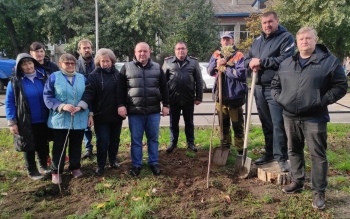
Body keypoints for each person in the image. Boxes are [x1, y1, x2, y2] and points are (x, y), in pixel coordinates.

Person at [271, 27, 348, 209]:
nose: (304, 41)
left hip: (315, 117)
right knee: (293, 151)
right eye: (301, 39)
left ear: (315, 40)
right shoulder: (287, 62)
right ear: (297, 43)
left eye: (308, 38)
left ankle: (318, 191)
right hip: (290, 116)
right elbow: (275, 84)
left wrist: (321, 101)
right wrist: (280, 99)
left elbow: (341, 86)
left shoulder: (329, 62)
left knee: (318, 155)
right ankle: (298, 181)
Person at [244, 11, 295, 172]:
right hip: (258, 87)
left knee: (278, 123)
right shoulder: (257, 41)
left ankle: (281, 157)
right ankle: (270, 153)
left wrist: (262, 61)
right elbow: (247, 59)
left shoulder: (286, 38)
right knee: (266, 123)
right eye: (264, 22)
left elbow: (285, 60)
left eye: (270, 22)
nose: (267, 25)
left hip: (276, 87)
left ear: (277, 21)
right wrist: (250, 62)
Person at [117, 42, 169, 177]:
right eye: (140, 51)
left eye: (145, 51)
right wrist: (121, 105)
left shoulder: (157, 68)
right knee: (136, 140)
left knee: (153, 139)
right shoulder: (126, 68)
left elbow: (164, 88)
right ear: (135, 52)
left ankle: (153, 163)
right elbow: (120, 89)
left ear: (149, 52)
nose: (142, 54)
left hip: (153, 112)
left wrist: (166, 105)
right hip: (135, 112)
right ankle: (136, 165)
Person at [77, 48, 124, 176]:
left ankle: (113, 160)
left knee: (115, 139)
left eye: (107, 61)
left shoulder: (118, 75)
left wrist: (123, 106)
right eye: (102, 61)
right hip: (101, 115)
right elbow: (89, 94)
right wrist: (83, 107)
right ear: (98, 61)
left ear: (112, 61)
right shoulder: (93, 76)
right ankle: (101, 164)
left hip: (116, 115)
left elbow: (121, 93)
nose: (105, 64)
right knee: (102, 141)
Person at [44, 53, 89, 184]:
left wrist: (89, 113)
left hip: (79, 117)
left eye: (72, 63)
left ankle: (75, 167)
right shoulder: (54, 77)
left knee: (76, 144)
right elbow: (47, 96)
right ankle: (56, 171)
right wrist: (61, 106)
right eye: (67, 63)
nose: (70, 65)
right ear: (60, 64)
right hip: (60, 119)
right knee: (60, 146)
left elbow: (89, 95)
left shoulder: (82, 78)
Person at [5, 53, 51, 180]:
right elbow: (9, 102)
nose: (28, 66)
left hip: (43, 118)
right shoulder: (15, 82)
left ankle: (44, 166)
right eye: (24, 64)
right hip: (25, 119)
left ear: (34, 64)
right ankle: (32, 170)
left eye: (30, 63)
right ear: (20, 67)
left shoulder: (43, 77)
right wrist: (12, 122)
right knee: (28, 144)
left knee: (42, 143)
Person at [207, 32, 247, 154]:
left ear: (232, 41)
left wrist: (224, 67)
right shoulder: (216, 54)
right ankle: (225, 147)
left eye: (228, 40)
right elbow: (209, 71)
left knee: (237, 125)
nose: (226, 42)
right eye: (224, 40)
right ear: (221, 42)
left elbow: (241, 74)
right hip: (220, 97)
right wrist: (216, 63)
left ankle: (240, 150)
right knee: (223, 124)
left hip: (234, 97)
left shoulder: (239, 55)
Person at [162, 42, 203, 153]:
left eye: (183, 48)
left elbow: (199, 81)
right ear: (175, 50)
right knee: (173, 123)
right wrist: (164, 100)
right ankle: (173, 142)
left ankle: (191, 143)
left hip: (188, 99)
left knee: (189, 122)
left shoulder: (193, 62)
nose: (181, 51)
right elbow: (163, 82)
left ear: (187, 50)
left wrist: (199, 96)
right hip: (173, 99)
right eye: (178, 49)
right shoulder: (168, 62)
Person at [29, 41, 60, 166]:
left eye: (41, 51)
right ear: (31, 53)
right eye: (37, 51)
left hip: (53, 103)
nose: (40, 54)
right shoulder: (30, 66)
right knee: (42, 135)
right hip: (40, 105)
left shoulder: (52, 66)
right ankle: (44, 157)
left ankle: (56, 154)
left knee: (55, 131)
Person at [75, 39, 96, 159]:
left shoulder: (97, 63)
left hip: (98, 99)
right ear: (79, 50)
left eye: (88, 48)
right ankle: (88, 149)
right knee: (85, 126)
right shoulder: (76, 64)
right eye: (84, 48)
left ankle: (102, 147)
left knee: (99, 125)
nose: (87, 50)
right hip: (83, 99)